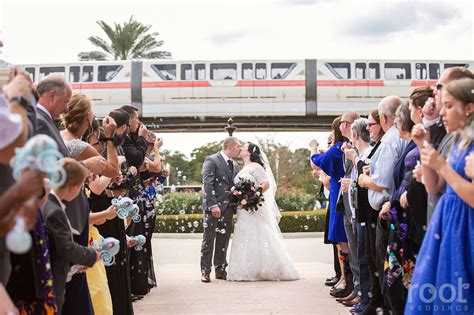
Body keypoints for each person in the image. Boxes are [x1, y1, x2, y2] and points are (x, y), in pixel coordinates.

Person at [406, 78, 474, 314]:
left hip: (466, 226)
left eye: (449, 106)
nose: (442, 112)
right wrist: (423, 145)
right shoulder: (458, 141)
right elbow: (433, 187)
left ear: (469, 108)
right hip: (448, 224)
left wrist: (441, 166)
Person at [227, 142, 299, 281]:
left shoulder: (256, 166)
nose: (241, 148)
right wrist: (239, 196)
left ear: (249, 152)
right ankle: (246, 269)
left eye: (243, 147)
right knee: (244, 234)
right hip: (243, 209)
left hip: (252, 207)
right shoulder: (244, 167)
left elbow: (265, 184)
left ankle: (271, 267)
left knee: (259, 233)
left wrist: (253, 196)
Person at [42, 158, 99, 313]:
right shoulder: (54, 210)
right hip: (51, 285)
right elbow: (65, 247)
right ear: (74, 187)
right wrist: (91, 255)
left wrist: (72, 268)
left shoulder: (48, 204)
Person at [310, 117, 350, 296]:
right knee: (342, 240)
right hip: (339, 195)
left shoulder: (338, 148)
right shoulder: (344, 148)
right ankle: (344, 277)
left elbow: (316, 161)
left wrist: (313, 148)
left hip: (338, 197)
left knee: (342, 240)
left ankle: (345, 279)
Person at [200, 137, 241, 282]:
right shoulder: (211, 160)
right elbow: (208, 183)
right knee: (209, 239)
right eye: (238, 147)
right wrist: (213, 205)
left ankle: (220, 269)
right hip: (213, 208)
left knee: (223, 240)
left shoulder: (235, 165)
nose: (240, 149)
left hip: (228, 208)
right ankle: (205, 271)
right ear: (231, 147)